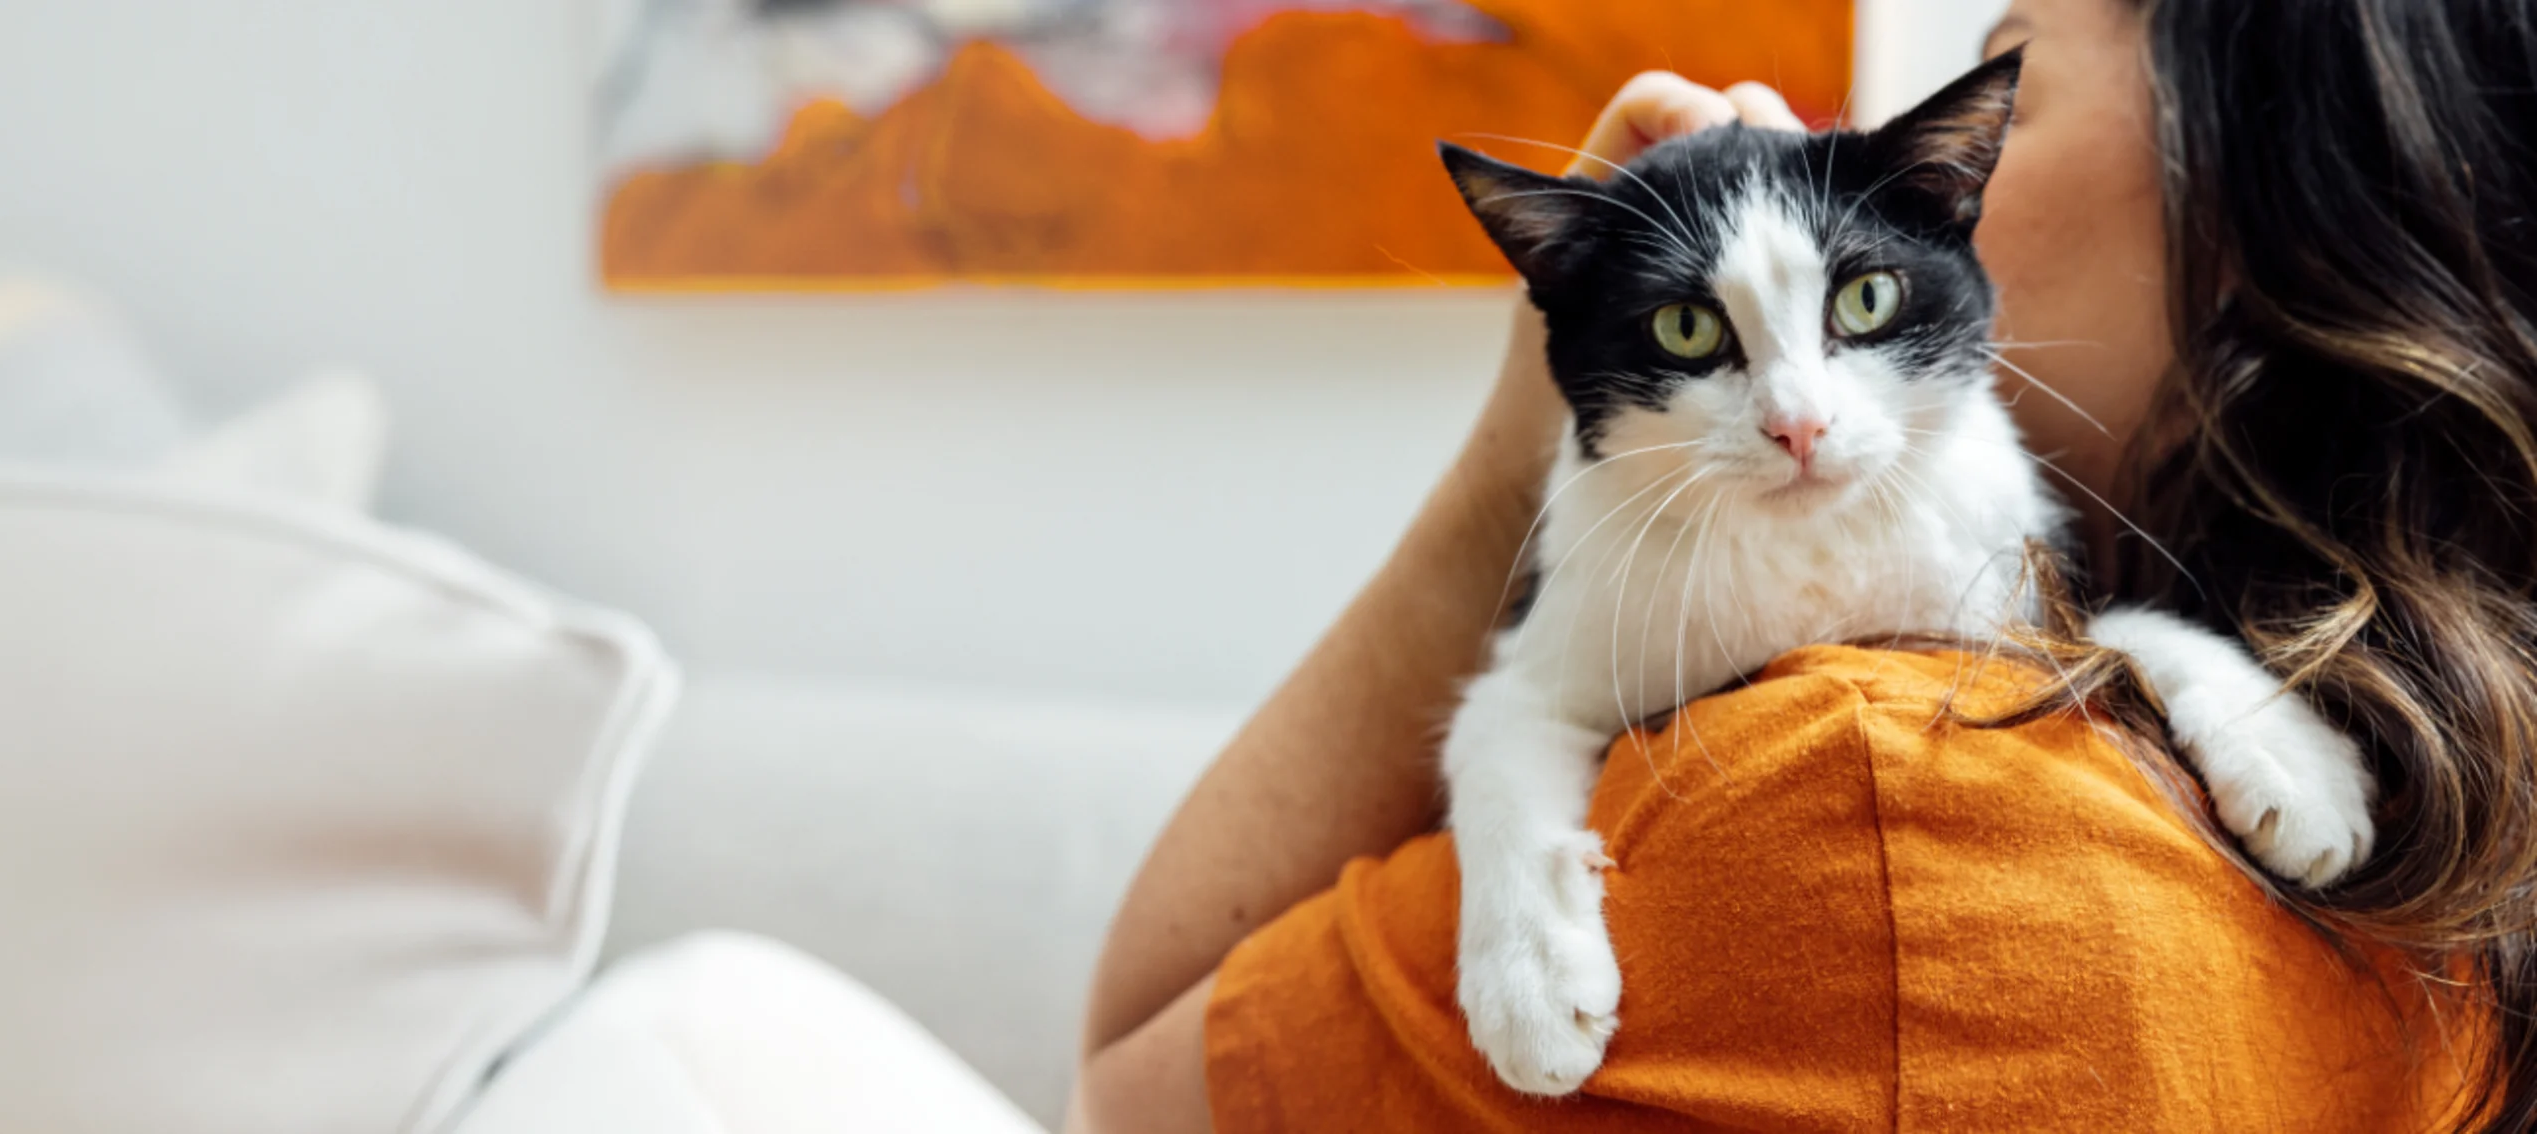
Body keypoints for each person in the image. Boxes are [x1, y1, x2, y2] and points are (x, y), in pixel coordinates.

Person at [1070, 0, 2537, 1129]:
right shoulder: (2473, 794)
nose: (1797, 412)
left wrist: (1499, 465)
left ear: (2264, 182)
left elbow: (1124, 1079)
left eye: (2007, 64)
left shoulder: (1859, 793)